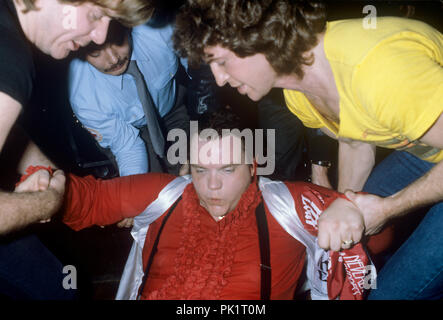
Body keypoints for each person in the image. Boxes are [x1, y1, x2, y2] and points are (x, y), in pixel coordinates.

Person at [172, 0, 443, 299]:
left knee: (389, 293)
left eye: (221, 62)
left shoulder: (379, 73)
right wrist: (343, 202)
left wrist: (389, 208)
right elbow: (355, 140)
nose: (219, 78)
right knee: (355, 243)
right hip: (426, 152)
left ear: (260, 38)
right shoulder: (299, 94)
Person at [14, 109, 391, 300]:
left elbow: (383, 235)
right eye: (200, 169)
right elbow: (86, 199)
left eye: (227, 169)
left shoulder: (289, 202)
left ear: (253, 166)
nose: (211, 185)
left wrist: (351, 208)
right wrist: (43, 178)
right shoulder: (166, 192)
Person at [0, 0, 152, 299]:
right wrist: (47, 202)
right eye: (95, 15)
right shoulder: (10, 61)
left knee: (60, 287)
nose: (99, 37)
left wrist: (46, 168)